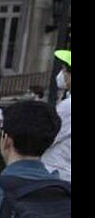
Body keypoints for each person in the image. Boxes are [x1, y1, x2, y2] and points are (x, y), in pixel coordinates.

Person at [41, 49, 70, 182]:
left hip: (59, 171)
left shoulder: (68, 106)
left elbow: (48, 135)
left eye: (64, 70)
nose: (61, 74)